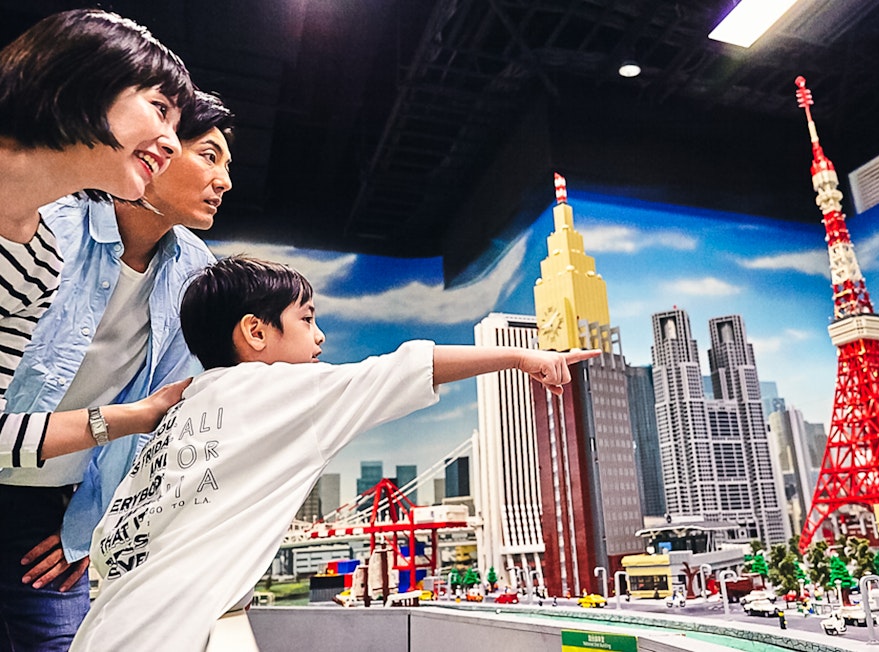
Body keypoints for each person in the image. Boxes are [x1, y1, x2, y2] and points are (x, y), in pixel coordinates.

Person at [69, 256, 599, 651]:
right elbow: (406, 367)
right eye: (306, 320)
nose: (319, 337)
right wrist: (518, 355)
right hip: (172, 637)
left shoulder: (186, 411)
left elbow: (114, 542)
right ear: (256, 332)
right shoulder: (281, 391)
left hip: (107, 630)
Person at [0, 91, 234, 648]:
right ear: (156, 149)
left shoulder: (197, 277)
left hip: (50, 504)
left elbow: (166, 417)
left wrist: (83, 531)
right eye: (209, 156)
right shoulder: (48, 223)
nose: (224, 180)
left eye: (228, 165)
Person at [0, 8, 195, 471]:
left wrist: (140, 416)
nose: (171, 143)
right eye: (159, 109)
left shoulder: (42, 261)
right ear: (89, 78)